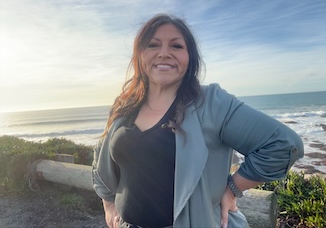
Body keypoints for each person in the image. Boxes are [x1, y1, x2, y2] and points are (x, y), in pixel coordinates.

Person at [92, 13, 304, 228]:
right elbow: (101, 155)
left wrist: (232, 189)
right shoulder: (125, 105)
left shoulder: (211, 103)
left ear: (190, 58)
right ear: (139, 55)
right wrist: (109, 204)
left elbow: (283, 145)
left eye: (176, 46)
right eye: (153, 45)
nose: (164, 53)